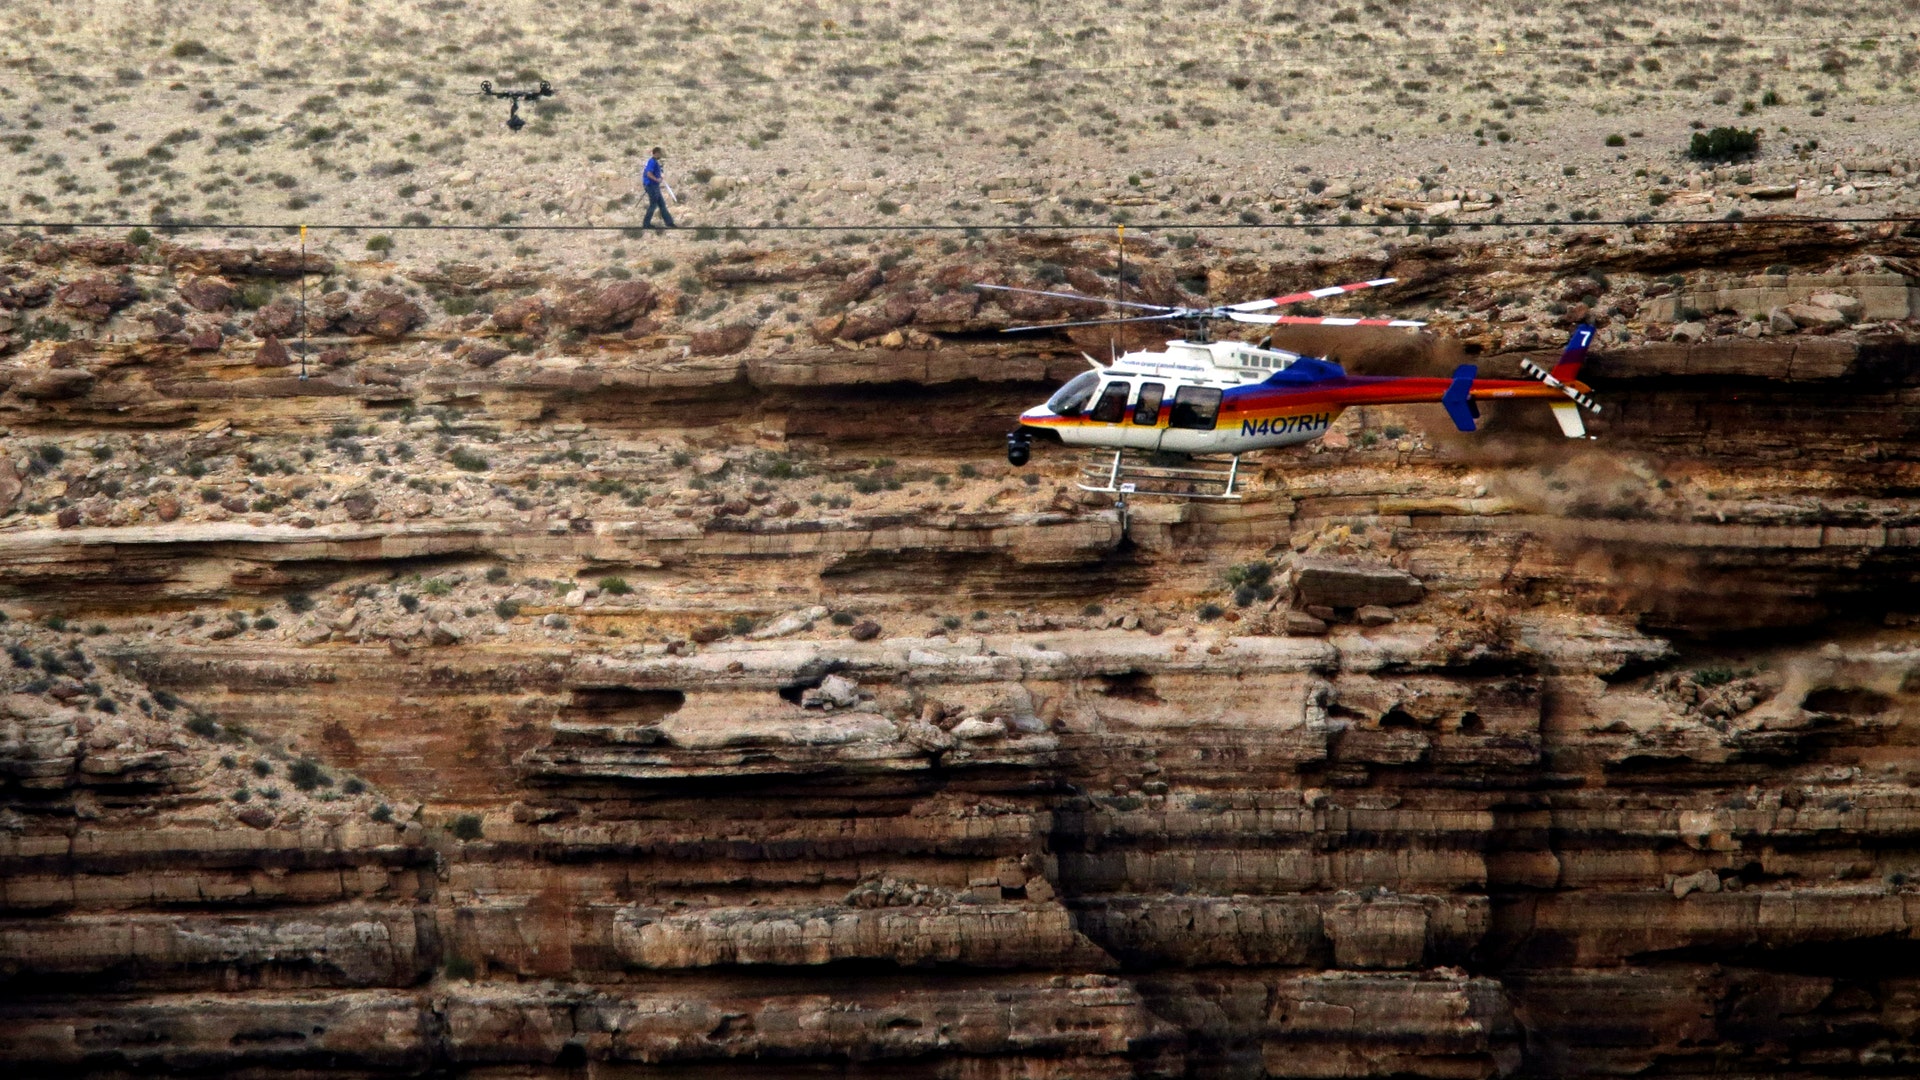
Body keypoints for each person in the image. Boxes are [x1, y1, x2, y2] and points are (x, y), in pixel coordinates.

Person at [641, 147, 677, 230]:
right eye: (660, 153)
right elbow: (649, 174)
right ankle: (646, 224)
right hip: (651, 186)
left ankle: (669, 222)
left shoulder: (655, 162)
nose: (660, 155)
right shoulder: (652, 162)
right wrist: (656, 179)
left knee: (661, 204)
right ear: (656, 153)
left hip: (655, 186)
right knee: (653, 205)